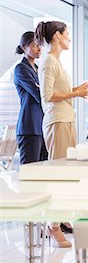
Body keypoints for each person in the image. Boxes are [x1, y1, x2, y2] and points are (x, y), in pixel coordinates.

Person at [35, 21, 88, 248]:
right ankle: (53, 226)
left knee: (67, 175)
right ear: (57, 36)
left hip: (66, 119)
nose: (69, 38)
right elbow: (48, 96)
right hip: (57, 121)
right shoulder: (48, 60)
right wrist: (75, 94)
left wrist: (76, 91)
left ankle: (61, 217)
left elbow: (60, 93)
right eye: (67, 34)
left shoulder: (56, 61)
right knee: (58, 176)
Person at [13, 31, 48, 164]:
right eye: (34, 45)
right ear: (24, 47)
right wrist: (43, 89)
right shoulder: (21, 69)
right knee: (29, 171)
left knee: (43, 170)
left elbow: (45, 91)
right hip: (29, 127)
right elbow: (40, 95)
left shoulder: (38, 69)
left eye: (39, 45)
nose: (39, 48)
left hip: (41, 126)